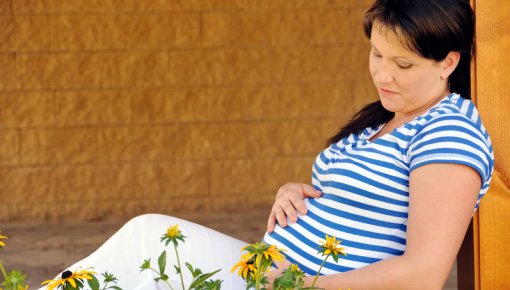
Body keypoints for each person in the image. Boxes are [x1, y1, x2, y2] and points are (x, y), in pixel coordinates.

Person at [39, 0, 493, 289]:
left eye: (403, 64)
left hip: (291, 284)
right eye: (376, 54)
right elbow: (365, 200)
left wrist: (296, 284)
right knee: (140, 261)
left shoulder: (447, 132)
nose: (382, 74)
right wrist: (297, 192)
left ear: (448, 62)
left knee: (149, 239)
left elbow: (423, 276)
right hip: (269, 273)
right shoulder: (387, 120)